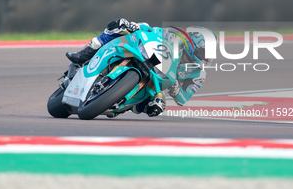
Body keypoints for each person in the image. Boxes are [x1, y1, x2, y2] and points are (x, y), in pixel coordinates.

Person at [65, 18, 217, 117]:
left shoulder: (198, 74)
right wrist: (138, 27)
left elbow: (183, 99)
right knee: (120, 26)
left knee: (153, 107)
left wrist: (175, 85)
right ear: (194, 46)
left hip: (155, 83)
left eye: (210, 54)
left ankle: (120, 103)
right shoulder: (175, 37)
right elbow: (154, 32)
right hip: (145, 55)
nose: (206, 58)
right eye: (205, 52)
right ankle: (85, 54)